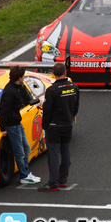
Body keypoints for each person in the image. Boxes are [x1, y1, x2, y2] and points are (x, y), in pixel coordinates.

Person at [38, 62, 80, 192]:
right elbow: (76, 107)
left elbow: (47, 110)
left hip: (54, 127)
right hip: (67, 125)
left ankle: (53, 182)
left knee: (54, 155)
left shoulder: (52, 90)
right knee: (66, 151)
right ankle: (63, 180)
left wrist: (45, 125)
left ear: (53, 74)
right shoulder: (74, 87)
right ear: (65, 72)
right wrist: (70, 117)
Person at [0, 66, 41, 185]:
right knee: (20, 151)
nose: (24, 78)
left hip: (17, 123)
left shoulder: (17, 87)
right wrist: (3, 128)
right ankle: (24, 175)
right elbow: (3, 110)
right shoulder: (10, 91)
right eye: (23, 76)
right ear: (20, 78)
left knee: (26, 148)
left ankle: (25, 172)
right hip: (12, 126)